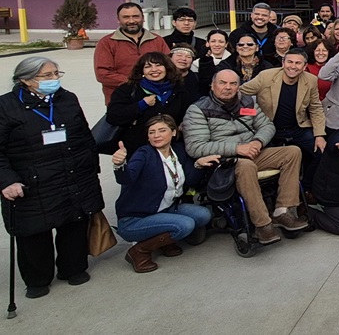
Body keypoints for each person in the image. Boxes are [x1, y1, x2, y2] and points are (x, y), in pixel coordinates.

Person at [1, 57, 104, 298]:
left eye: (57, 73)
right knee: (34, 230)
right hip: (32, 179)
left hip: (73, 173)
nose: (54, 79)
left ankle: (73, 268)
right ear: (26, 80)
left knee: (74, 221)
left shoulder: (67, 99)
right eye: (47, 75)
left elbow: (84, 135)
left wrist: (91, 165)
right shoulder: (6, 106)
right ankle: (37, 279)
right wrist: (6, 180)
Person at [183, 70, 307, 246]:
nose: (228, 87)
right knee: (246, 166)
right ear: (212, 85)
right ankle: (262, 224)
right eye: (222, 83)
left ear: (238, 86)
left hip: (253, 151)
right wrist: (237, 148)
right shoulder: (198, 110)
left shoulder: (247, 102)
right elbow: (196, 147)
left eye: (233, 84)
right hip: (226, 161)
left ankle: (283, 211)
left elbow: (267, 125)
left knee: (292, 152)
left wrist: (258, 141)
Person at [111, 115, 217, 273]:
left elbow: (190, 181)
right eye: (151, 132)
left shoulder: (179, 151)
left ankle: (164, 241)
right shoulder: (144, 153)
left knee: (203, 215)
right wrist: (119, 165)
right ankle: (139, 251)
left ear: (173, 132)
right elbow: (126, 179)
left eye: (162, 130)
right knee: (185, 225)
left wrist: (198, 165)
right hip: (135, 219)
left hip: (165, 210)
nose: (156, 135)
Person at [240, 48, 328, 189]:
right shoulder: (266, 77)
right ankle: (272, 190)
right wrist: (250, 112)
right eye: (290, 62)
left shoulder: (311, 80)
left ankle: (304, 187)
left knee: (320, 152)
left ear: (304, 66)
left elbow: (315, 108)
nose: (293, 66)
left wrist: (319, 135)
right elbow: (240, 92)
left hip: (298, 127)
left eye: (298, 63)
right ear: (283, 63)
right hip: (270, 129)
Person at [106, 52, 196, 156]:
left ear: (167, 68)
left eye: (158, 65)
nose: (154, 69)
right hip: (136, 150)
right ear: (142, 70)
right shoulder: (128, 90)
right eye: (148, 66)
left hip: (171, 150)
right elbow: (113, 116)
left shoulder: (179, 90)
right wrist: (141, 105)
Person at [94, 2, 171, 104]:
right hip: (121, 100)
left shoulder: (157, 40)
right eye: (126, 17)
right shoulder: (107, 43)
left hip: (155, 99)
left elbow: (169, 66)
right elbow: (102, 74)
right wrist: (136, 83)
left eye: (135, 16)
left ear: (143, 18)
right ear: (118, 20)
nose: (131, 21)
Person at [193, 29, 232, 95]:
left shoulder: (234, 61)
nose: (217, 44)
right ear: (207, 43)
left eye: (221, 42)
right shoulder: (196, 64)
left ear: (226, 44)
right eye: (213, 41)